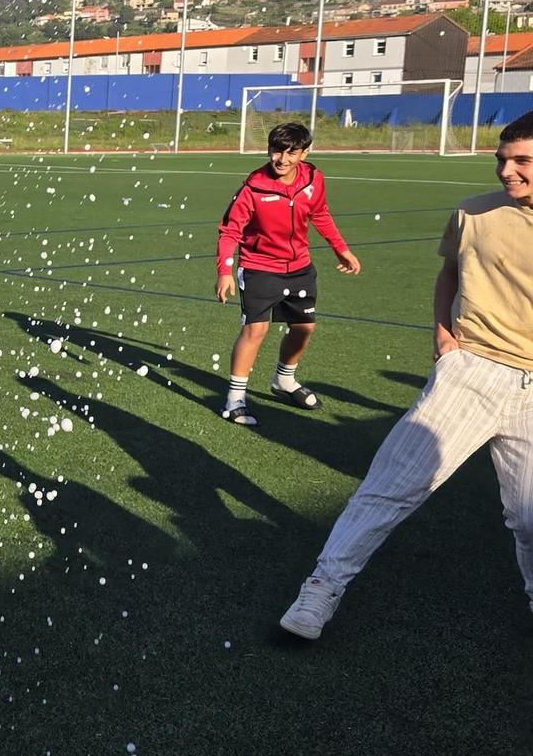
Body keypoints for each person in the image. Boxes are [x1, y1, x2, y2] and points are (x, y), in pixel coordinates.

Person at [281, 111, 533, 640]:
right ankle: (320, 589)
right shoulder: (474, 214)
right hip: (472, 371)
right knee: (389, 487)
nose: (508, 172)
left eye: (523, 162)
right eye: (502, 161)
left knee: (529, 518)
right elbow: (450, 272)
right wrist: (443, 335)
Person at [214, 121, 361, 425]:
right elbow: (230, 231)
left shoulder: (313, 179)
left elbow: (320, 213)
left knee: (304, 327)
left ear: (305, 153)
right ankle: (235, 399)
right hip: (259, 268)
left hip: (299, 268)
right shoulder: (253, 187)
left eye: (291, 153)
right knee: (256, 330)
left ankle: (284, 380)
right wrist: (225, 271)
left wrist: (341, 249)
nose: (282, 159)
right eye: (276, 151)